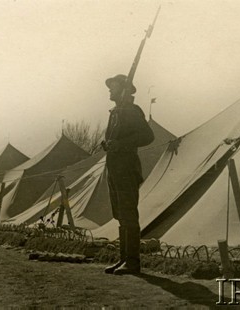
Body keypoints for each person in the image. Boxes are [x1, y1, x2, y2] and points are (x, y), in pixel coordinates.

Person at [102, 74, 154, 275]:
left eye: (113, 87)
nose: (109, 90)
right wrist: (109, 144)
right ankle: (124, 259)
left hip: (126, 169)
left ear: (123, 90)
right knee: (121, 215)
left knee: (129, 214)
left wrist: (121, 144)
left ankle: (132, 262)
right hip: (114, 168)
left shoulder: (132, 110)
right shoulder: (116, 112)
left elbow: (147, 136)